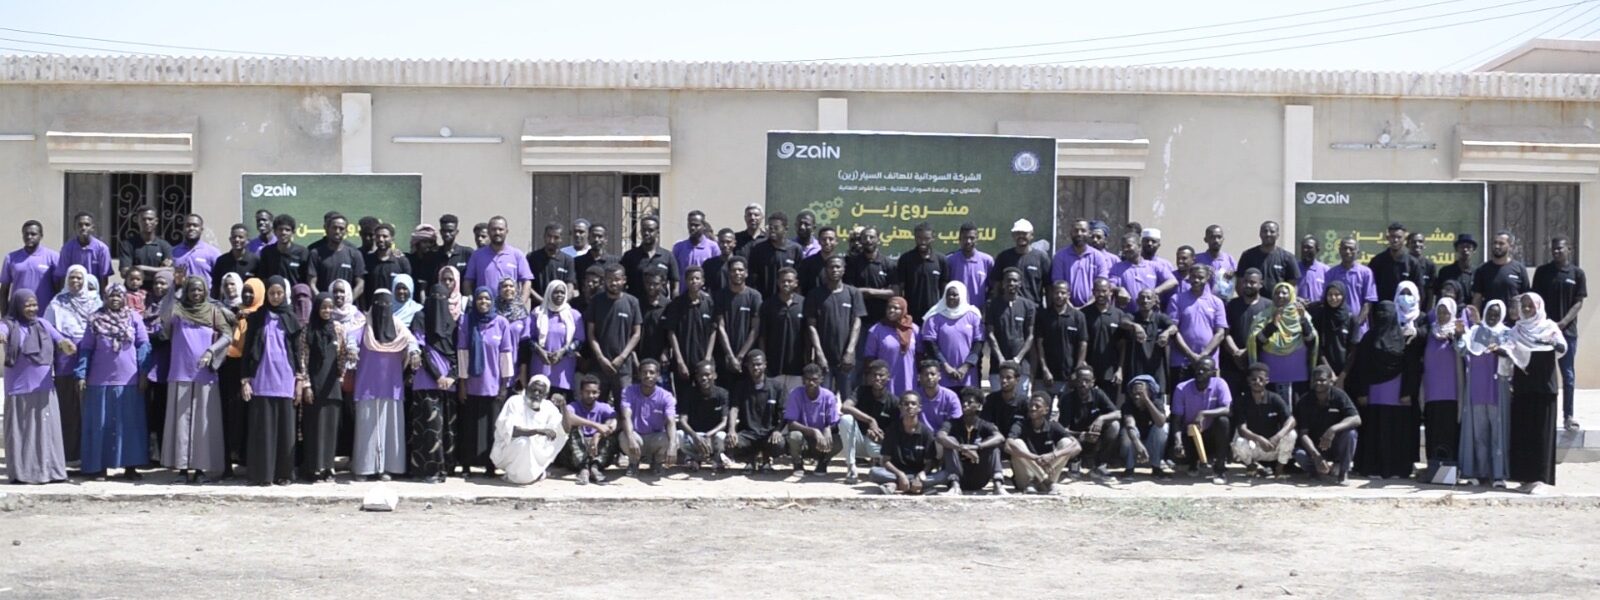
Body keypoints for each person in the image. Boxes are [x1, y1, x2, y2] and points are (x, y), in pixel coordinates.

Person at [74, 282, 150, 480]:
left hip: (129, 381)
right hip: (99, 382)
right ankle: (100, 467)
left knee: (130, 426)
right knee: (101, 425)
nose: (115, 299)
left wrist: (143, 373)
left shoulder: (133, 317)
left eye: (119, 295)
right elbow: (86, 349)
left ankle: (131, 467)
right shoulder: (95, 319)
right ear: (105, 298)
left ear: (124, 298)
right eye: (111, 296)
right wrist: (81, 374)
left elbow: (143, 345)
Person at [160, 276, 232, 484]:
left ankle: (200, 469)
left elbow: (228, 335)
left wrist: (212, 350)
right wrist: (175, 287)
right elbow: (164, 317)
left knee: (202, 423)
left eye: (200, 290)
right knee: (181, 424)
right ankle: (182, 469)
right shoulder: (177, 310)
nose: (196, 293)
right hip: (180, 372)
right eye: (192, 290)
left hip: (205, 374)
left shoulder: (213, 311)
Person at [2, 289, 74, 484]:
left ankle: (50, 472)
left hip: (44, 388)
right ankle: (22, 474)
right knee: (22, 433)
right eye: (27, 305)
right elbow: (3, 332)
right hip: (19, 389)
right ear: (18, 306)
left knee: (46, 432)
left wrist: (66, 345)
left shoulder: (43, 324)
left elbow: (59, 339)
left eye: (34, 305)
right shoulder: (9, 324)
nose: (32, 309)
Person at [238, 277, 304, 486]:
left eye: (279, 293)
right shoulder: (257, 317)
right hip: (261, 378)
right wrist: (245, 380)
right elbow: (248, 349)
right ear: (266, 294)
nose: (275, 297)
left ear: (285, 294)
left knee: (285, 431)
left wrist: (300, 380)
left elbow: (298, 352)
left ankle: (283, 474)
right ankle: (263, 475)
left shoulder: (291, 318)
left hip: (285, 378)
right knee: (263, 430)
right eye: (272, 293)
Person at [1349, 301, 1422, 480]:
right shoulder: (1369, 338)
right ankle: (1372, 468)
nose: (1383, 316)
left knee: (1395, 434)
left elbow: (1410, 367)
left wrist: (1407, 392)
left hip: (1398, 397)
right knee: (1375, 432)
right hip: (1374, 396)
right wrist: (1362, 392)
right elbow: (1361, 367)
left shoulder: (1403, 338)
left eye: (1386, 312)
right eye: (1379, 312)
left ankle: (1396, 469)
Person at [351, 288, 416, 481]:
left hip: (391, 385)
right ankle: (364, 469)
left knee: (390, 428)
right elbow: (351, 337)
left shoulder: (397, 325)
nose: (383, 308)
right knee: (366, 428)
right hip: (367, 385)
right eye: (379, 303)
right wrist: (352, 349)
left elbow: (411, 341)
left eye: (387, 304)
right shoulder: (364, 325)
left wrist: (414, 352)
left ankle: (387, 468)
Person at [1505, 293, 1567, 493]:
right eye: (1523, 305)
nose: (1526, 309)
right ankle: (1525, 478)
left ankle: (1540, 479)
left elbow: (1562, 348)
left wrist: (1552, 343)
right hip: (1523, 387)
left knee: (1541, 434)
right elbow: (1509, 350)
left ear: (1538, 307)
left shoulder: (1549, 327)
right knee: (1524, 432)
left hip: (1544, 388)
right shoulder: (1517, 330)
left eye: (1530, 306)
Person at [456, 285, 516, 479]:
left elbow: (506, 355)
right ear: (474, 301)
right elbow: (463, 353)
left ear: (492, 301)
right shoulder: (466, 321)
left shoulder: (501, 323)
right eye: (480, 298)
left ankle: (490, 466)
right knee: (469, 428)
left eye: (487, 298)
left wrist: (504, 385)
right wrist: (462, 384)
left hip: (493, 385)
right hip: (472, 385)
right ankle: (467, 465)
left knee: (492, 430)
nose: (484, 302)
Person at [44, 264, 100, 465]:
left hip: (90, 357)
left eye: (79, 278)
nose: (75, 281)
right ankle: (69, 456)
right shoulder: (57, 302)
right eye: (72, 278)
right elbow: (48, 329)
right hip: (65, 358)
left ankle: (90, 456)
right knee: (68, 406)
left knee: (89, 406)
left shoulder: (95, 302)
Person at [1531, 236, 1585, 431]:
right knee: (1543, 375)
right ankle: (1543, 415)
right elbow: (1535, 301)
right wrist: (1544, 325)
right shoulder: (1542, 272)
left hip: (1567, 332)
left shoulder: (1577, 274)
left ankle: (1568, 416)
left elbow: (1578, 303)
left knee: (1568, 375)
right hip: (1543, 333)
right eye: (1553, 249)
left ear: (1569, 249)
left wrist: (1563, 323)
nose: (1556, 251)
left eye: (1560, 248)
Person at [408, 283, 458, 483]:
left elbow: (459, 354)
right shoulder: (420, 317)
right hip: (426, 382)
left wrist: (452, 376)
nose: (439, 302)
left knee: (448, 430)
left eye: (443, 298)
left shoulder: (453, 323)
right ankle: (429, 471)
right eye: (435, 297)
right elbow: (420, 350)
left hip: (449, 384)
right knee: (429, 429)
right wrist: (438, 376)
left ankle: (446, 468)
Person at [1458, 301, 1510, 487]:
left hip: (1497, 389)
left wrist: (1499, 350)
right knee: (1479, 434)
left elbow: (1512, 354)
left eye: (1496, 314)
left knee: (1497, 434)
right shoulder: (1474, 332)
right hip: (1477, 389)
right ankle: (1480, 472)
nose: (1493, 317)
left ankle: (1498, 475)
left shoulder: (1506, 333)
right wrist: (1459, 334)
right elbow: (1462, 349)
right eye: (1490, 313)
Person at [300, 292, 348, 482]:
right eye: (323, 307)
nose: (327, 310)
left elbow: (342, 354)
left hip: (332, 385)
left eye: (330, 307)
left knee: (330, 428)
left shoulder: (338, 328)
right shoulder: (308, 330)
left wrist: (341, 376)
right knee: (314, 428)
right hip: (314, 384)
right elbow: (303, 358)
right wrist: (306, 384)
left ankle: (329, 467)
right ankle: (314, 468)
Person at [491, 375, 568, 485]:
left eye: (540, 392)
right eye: (533, 390)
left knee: (559, 435)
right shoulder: (515, 401)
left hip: (537, 452)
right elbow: (512, 431)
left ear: (545, 395)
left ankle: (536, 471)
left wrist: (563, 406)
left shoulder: (548, 407)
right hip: (510, 449)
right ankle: (513, 475)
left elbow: (565, 430)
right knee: (524, 442)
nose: (536, 394)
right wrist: (537, 431)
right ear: (527, 389)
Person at [1248, 282, 1317, 402]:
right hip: (1271, 374)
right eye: (1277, 293)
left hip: (1297, 373)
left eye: (1284, 293)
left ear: (1291, 295)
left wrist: (1302, 320)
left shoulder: (1302, 314)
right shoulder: (1264, 315)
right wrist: (1273, 324)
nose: (1280, 295)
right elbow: (1256, 342)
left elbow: (1311, 340)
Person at [1293, 366, 1362, 484]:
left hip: (1335, 445)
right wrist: (1316, 456)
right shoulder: (1305, 400)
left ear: (1331, 381)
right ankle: (1315, 473)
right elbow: (1303, 434)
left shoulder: (1339, 395)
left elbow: (1356, 419)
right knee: (1299, 455)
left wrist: (1332, 430)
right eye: (1315, 380)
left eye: (1322, 380)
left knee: (1351, 434)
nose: (1318, 383)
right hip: (1315, 447)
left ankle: (1343, 473)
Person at [807, 256, 864, 396]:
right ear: (826, 270)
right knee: (823, 398)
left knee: (848, 399)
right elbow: (811, 326)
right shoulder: (815, 294)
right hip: (824, 359)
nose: (835, 270)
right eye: (831, 267)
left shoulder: (853, 293)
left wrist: (850, 351)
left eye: (838, 267)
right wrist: (819, 354)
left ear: (844, 270)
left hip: (846, 359)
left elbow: (857, 323)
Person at [1167, 264, 1228, 398]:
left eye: (1200, 277)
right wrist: (1191, 355)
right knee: (1179, 400)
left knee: (1209, 400)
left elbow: (1220, 333)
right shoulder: (1176, 299)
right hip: (1181, 362)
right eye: (1193, 277)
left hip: (1208, 363)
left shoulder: (1217, 302)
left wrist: (1203, 355)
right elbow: (1173, 330)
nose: (1196, 280)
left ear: (1207, 278)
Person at [933, 389, 1008, 495]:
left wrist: (977, 447)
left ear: (979, 406)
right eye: (963, 401)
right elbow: (940, 436)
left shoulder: (985, 425)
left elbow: (1000, 437)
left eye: (970, 402)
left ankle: (998, 486)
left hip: (979, 476)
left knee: (994, 447)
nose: (965, 404)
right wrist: (961, 448)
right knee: (950, 442)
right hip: (958, 473)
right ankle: (955, 487)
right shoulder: (952, 423)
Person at [1170, 357, 1232, 484]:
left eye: (1205, 369)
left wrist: (1203, 413)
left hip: (1211, 435)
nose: (1200, 372)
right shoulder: (1182, 388)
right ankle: (1193, 462)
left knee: (1223, 421)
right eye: (1198, 369)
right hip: (1190, 436)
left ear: (1213, 372)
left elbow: (1227, 409)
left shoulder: (1220, 384)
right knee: (1176, 456)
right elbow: (1176, 419)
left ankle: (1219, 469)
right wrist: (1178, 441)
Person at [1230, 363, 1296, 478]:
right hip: (1254, 446)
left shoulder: (1274, 398)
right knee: (1239, 441)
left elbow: (1292, 420)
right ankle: (1251, 467)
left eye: (1261, 379)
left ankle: (1279, 470)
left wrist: (1277, 437)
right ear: (1248, 381)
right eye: (1253, 379)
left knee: (1292, 434)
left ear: (1267, 381)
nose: (1257, 382)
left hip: (1274, 446)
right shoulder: (1242, 401)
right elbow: (1242, 429)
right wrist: (1259, 439)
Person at [587, 264, 642, 402]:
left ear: (624, 280)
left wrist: (622, 357)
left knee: (625, 407)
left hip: (623, 368)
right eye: (610, 279)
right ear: (604, 280)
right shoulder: (596, 301)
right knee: (596, 406)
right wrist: (601, 358)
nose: (613, 283)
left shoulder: (632, 302)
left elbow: (636, 334)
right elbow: (591, 333)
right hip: (599, 366)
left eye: (617, 279)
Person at [1058, 365, 1124, 481]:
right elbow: (1063, 430)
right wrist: (1082, 435)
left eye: (1087, 381)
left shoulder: (1098, 394)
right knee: (1065, 440)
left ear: (1093, 382)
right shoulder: (1067, 399)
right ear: (1075, 381)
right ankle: (1074, 463)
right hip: (1076, 438)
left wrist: (1101, 419)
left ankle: (1099, 466)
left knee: (1115, 425)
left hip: (1095, 437)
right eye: (1080, 380)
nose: (1083, 384)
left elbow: (1118, 414)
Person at [1005, 393, 1080, 494]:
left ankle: (1040, 479)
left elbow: (1077, 446)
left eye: (1037, 406)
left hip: (1049, 472)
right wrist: (1034, 458)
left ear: (1046, 410)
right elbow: (1007, 445)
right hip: (1026, 480)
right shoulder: (1020, 425)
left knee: (1066, 442)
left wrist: (1053, 455)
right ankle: (1046, 481)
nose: (1033, 408)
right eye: (1031, 405)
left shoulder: (1053, 425)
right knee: (1016, 443)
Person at [727, 350, 786, 474]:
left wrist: (777, 430)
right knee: (730, 442)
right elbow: (734, 408)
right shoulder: (741, 386)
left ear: (765, 365)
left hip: (769, 433)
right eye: (752, 365)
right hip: (748, 433)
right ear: (747, 366)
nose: (755, 368)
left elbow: (784, 413)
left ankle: (766, 460)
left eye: (759, 364)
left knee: (779, 444)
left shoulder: (777, 387)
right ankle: (750, 460)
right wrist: (732, 430)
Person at [1422, 297, 1464, 463]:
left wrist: (1458, 337)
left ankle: (1450, 469)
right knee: (1432, 432)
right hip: (1431, 393)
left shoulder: (1457, 333)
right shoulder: (1429, 332)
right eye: (1439, 311)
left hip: (1451, 394)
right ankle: (1432, 468)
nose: (1442, 315)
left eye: (1446, 312)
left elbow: (1464, 354)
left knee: (1449, 433)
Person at [870, 393, 938, 495]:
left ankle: (895, 485)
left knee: (943, 476)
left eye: (913, 404)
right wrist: (900, 475)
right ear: (900, 407)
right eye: (906, 404)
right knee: (874, 472)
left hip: (918, 474)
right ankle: (919, 487)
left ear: (919, 408)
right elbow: (885, 461)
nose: (910, 406)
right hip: (895, 472)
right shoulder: (892, 430)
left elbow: (930, 463)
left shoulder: (926, 432)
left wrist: (920, 476)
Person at [619, 359, 678, 476]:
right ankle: (633, 463)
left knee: (672, 438)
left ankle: (657, 463)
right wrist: (631, 439)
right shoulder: (628, 391)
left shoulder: (666, 396)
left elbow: (671, 421)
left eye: (652, 372)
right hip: (637, 436)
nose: (648, 375)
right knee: (624, 436)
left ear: (658, 375)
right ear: (639, 375)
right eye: (644, 372)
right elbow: (626, 416)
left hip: (655, 437)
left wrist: (673, 446)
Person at [921, 281, 984, 390]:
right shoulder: (934, 316)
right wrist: (946, 367)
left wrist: (965, 367)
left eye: (955, 295)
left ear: (962, 295)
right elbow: (930, 345)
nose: (951, 297)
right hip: (942, 375)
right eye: (948, 294)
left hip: (967, 375)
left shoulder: (973, 315)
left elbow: (978, 344)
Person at [560, 374, 620, 485]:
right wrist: (596, 425)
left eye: (594, 392)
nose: (591, 395)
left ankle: (594, 468)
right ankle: (584, 468)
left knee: (610, 431)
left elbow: (614, 421)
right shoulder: (573, 406)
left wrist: (597, 435)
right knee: (571, 428)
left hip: (596, 450)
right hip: (576, 453)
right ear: (581, 392)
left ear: (599, 393)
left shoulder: (604, 407)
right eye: (587, 392)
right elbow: (569, 417)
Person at [784, 363, 842, 477]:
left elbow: (834, 422)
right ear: (803, 380)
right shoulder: (795, 394)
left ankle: (823, 462)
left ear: (821, 379)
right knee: (794, 436)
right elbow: (791, 423)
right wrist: (814, 431)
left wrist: (828, 428)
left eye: (814, 379)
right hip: (803, 440)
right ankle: (798, 463)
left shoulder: (829, 396)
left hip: (821, 441)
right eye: (808, 379)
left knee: (839, 441)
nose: (811, 383)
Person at [842, 359, 894, 484]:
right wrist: (870, 420)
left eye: (881, 375)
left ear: (888, 377)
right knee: (845, 419)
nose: (877, 378)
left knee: (884, 451)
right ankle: (851, 467)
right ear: (869, 377)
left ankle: (879, 463)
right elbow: (845, 407)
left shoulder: (893, 401)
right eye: (874, 375)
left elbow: (896, 433)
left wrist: (881, 439)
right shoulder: (861, 391)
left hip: (877, 444)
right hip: (858, 441)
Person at [987, 267, 1037, 396]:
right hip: (997, 366)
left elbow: (1030, 336)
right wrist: (1001, 359)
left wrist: (1018, 359)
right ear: (1003, 283)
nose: (1011, 283)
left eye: (1015, 281)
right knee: (997, 402)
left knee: (1020, 402)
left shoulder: (1028, 306)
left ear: (1020, 283)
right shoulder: (992, 305)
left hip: (1021, 367)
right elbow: (990, 334)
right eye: (1008, 280)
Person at [665, 266, 716, 393]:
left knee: (704, 398)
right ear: (686, 281)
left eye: (697, 278)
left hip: (703, 359)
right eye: (691, 279)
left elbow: (713, 331)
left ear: (703, 281)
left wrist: (708, 358)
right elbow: (671, 332)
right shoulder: (676, 304)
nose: (694, 281)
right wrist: (679, 361)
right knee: (684, 399)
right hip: (684, 361)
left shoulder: (709, 303)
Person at [713, 255, 761, 388]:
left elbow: (755, 329)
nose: (737, 273)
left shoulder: (754, 296)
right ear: (728, 273)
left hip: (747, 358)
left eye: (740, 270)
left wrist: (740, 357)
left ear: (746, 273)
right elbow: (720, 326)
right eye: (734, 270)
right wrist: (730, 356)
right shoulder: (720, 296)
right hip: (724, 357)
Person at [530, 279, 584, 397]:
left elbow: (579, 341)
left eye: (562, 292)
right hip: (541, 366)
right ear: (549, 293)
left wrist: (562, 352)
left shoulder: (574, 315)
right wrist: (540, 351)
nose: (559, 295)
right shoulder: (537, 313)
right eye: (555, 292)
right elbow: (529, 338)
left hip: (563, 371)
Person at [463, 216, 533, 306]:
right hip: (485, 308)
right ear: (489, 232)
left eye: (500, 229)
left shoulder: (517, 255)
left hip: (510, 309)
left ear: (507, 231)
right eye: (494, 229)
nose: (497, 232)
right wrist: (472, 303)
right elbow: (468, 282)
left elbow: (527, 281)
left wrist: (520, 304)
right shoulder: (477, 255)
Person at [676, 360, 730, 472]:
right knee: (679, 434)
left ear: (714, 375)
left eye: (707, 374)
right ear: (696, 377)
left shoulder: (722, 394)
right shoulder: (689, 393)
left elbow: (724, 422)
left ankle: (716, 458)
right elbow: (682, 420)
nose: (704, 378)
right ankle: (694, 458)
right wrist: (695, 436)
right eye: (701, 375)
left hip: (712, 436)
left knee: (722, 436)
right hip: (694, 436)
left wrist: (708, 435)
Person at [757, 267, 806, 392]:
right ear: (778, 282)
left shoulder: (804, 304)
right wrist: (764, 360)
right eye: (783, 281)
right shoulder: (768, 305)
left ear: (796, 283)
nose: (786, 284)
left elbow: (808, 335)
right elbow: (762, 336)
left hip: (797, 366)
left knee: (794, 401)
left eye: (790, 281)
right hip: (774, 367)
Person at [1222, 268, 1268, 401]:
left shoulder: (1268, 306)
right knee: (1233, 402)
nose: (1248, 285)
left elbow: (1269, 334)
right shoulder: (1232, 305)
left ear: (1261, 284)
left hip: (1258, 363)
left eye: (1252, 282)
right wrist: (1236, 352)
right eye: (1245, 281)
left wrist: (1247, 352)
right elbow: (1226, 332)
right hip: (1232, 363)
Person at [1035, 280, 1087, 397]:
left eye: (1063, 293)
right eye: (1056, 292)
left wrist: (1077, 371)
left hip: (1069, 377)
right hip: (1045, 377)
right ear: (1051, 294)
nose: (1059, 296)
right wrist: (1044, 369)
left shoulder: (1078, 317)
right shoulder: (1043, 315)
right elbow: (1039, 344)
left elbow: (1083, 344)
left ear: (1068, 295)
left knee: (1068, 409)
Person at [1122, 288, 1176, 394]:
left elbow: (1174, 327)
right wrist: (1135, 326)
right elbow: (1123, 322)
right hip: (1137, 367)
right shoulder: (1132, 317)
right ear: (1137, 301)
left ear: (1155, 301)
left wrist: (1166, 333)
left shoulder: (1160, 318)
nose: (1145, 301)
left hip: (1157, 368)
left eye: (1148, 298)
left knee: (1157, 396)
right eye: (1142, 298)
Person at [863, 296, 919, 396]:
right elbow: (869, 358)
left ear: (903, 310)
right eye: (889, 307)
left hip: (909, 380)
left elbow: (920, 355)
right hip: (885, 383)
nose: (891, 310)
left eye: (896, 308)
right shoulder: (876, 330)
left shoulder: (914, 329)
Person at [2, 220, 61, 315]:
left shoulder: (53, 257)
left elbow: (59, 288)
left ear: (41, 236)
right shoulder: (11, 258)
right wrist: (4, 316)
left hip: (45, 314)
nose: (29, 237)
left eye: (33, 234)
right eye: (26, 234)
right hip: (18, 315)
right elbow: (4, 291)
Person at [1082, 278, 1126, 403]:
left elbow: (1123, 346)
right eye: (1097, 291)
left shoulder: (1119, 315)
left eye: (1104, 291)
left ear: (1110, 292)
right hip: (1088, 372)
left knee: (1109, 408)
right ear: (1093, 292)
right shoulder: (1084, 314)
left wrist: (1120, 369)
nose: (1101, 294)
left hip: (1110, 373)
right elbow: (1080, 342)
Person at [1109, 232, 1176, 313]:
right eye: (1123, 247)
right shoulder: (1117, 267)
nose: (1125, 249)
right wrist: (1119, 289)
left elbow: (1173, 281)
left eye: (1129, 246)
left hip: (1150, 316)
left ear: (1139, 246)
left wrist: (1154, 292)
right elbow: (1110, 285)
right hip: (1127, 316)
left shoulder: (1153, 266)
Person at [1326, 237, 1379, 336]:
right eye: (1344, 248)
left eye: (1351, 249)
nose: (1347, 251)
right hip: (1336, 327)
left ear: (1358, 252)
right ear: (1339, 250)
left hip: (1359, 328)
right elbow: (1326, 300)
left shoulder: (1366, 273)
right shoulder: (1331, 273)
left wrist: (1357, 324)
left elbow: (1368, 302)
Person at [1309, 281, 1358, 385]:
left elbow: (1353, 351)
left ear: (1343, 295)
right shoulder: (1321, 316)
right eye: (1330, 294)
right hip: (1324, 372)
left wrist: (1342, 377)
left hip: (1346, 373)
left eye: (1337, 294)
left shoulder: (1351, 318)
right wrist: (1330, 372)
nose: (1333, 298)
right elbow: (1318, 347)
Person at [1120, 375, 1170, 479]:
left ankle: (1156, 468)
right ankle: (1129, 469)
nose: (1137, 397)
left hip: (1151, 449)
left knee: (1163, 427)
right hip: (1134, 448)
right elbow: (1129, 424)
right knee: (1128, 430)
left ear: (1150, 393)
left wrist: (1147, 401)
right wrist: (1138, 445)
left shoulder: (1157, 403)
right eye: (1134, 393)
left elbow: (1160, 423)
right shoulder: (1128, 405)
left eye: (1140, 394)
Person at [991, 219, 1050, 305]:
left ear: (1032, 235)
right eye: (1018, 233)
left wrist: (1049, 310)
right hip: (1008, 308)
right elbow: (997, 285)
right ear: (1013, 235)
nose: (1021, 236)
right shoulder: (1003, 257)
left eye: (1024, 233)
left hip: (1035, 309)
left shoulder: (1041, 258)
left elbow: (1049, 287)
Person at [1051, 219, 1107, 309]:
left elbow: (1101, 286)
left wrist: (1086, 307)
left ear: (1089, 233)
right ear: (1071, 233)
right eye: (1076, 230)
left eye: (1083, 230)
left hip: (1093, 308)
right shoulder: (1060, 256)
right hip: (1066, 309)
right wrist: (1071, 308)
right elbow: (1057, 285)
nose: (1079, 233)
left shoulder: (1098, 257)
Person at [306, 212, 364, 298]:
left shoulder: (355, 254)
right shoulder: (316, 253)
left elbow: (360, 284)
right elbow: (311, 283)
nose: (337, 231)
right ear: (327, 229)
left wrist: (348, 300)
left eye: (341, 229)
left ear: (346, 231)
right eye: (334, 228)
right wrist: (322, 301)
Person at [622, 215, 680, 300]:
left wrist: (675, 305)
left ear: (658, 232)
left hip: (660, 305)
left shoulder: (668, 256)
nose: (646, 233)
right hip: (636, 305)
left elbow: (675, 286)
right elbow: (622, 283)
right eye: (644, 230)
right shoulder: (629, 256)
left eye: (650, 230)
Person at [747, 212, 802, 301]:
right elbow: (752, 278)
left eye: (776, 228)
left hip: (787, 301)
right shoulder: (758, 248)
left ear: (785, 229)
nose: (772, 231)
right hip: (764, 301)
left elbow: (799, 279)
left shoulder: (795, 249)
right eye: (770, 227)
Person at [1473, 231, 1530, 313]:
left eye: (1501, 243)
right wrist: (1476, 318)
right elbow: (1477, 298)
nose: (1497, 246)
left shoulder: (1519, 269)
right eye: (1495, 243)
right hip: (1489, 319)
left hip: (1512, 319)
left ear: (1510, 246)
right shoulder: (1482, 269)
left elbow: (1525, 297)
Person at [1367, 222, 1424, 304]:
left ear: (1405, 239)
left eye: (1399, 237)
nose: (1395, 240)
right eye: (1392, 236)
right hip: (1382, 308)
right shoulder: (1377, 261)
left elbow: (1419, 291)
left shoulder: (1413, 263)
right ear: (1388, 238)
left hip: (1405, 308)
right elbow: (1370, 289)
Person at [119, 208, 172, 294]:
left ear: (156, 221)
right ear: (138, 221)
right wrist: (159, 270)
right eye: (143, 219)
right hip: (133, 294)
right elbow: (124, 272)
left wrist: (140, 268)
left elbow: (170, 271)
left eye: (150, 219)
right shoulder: (128, 244)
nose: (147, 222)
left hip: (157, 294)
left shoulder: (164, 246)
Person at [360, 224, 411, 308]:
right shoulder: (367, 260)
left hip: (395, 310)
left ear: (392, 239)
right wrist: (364, 309)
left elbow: (408, 288)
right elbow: (363, 287)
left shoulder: (401, 261)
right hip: (372, 309)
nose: (381, 239)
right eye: (378, 236)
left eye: (385, 236)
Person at [1238, 221, 1301, 289]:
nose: (1268, 234)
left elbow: (1292, 284)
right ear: (1260, 234)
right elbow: (1240, 282)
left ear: (1277, 235)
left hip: (1278, 296)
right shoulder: (1247, 255)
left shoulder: (1288, 257)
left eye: (1272, 232)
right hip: (1253, 296)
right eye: (1265, 231)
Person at [59, 212, 114, 288]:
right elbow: (62, 275)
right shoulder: (67, 248)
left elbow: (104, 277)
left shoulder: (102, 249)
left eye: (87, 225)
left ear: (93, 228)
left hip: (94, 291)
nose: (83, 228)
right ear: (74, 227)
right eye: (80, 225)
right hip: (73, 291)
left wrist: (101, 295)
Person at [528, 222, 577, 306]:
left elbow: (570, 285)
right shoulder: (532, 257)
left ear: (561, 239)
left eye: (556, 237)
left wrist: (561, 302)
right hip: (539, 308)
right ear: (544, 237)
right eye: (549, 236)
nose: (551, 241)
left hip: (560, 308)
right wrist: (544, 302)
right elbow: (528, 285)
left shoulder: (568, 260)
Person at [671, 210, 720, 292]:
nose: (692, 228)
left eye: (696, 225)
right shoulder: (679, 247)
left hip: (705, 296)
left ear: (704, 226)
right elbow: (674, 275)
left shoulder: (713, 247)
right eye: (690, 225)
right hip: (683, 295)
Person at [911, 359, 962, 432]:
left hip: (945, 435)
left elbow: (956, 420)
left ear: (939, 376)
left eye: (933, 374)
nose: (929, 377)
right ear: (920, 377)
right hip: (922, 435)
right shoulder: (914, 397)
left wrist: (943, 433)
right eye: (926, 374)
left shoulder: (951, 396)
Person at [257, 215, 307, 288]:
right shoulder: (267, 252)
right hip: (274, 294)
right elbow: (263, 278)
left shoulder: (302, 252)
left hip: (295, 294)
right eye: (280, 229)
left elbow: (306, 280)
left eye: (287, 230)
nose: (283, 233)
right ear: (274, 231)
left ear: (293, 232)